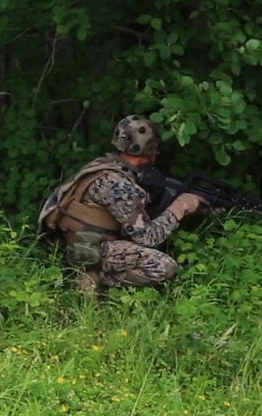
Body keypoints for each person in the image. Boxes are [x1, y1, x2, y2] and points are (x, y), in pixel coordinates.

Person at [38, 114, 208, 294]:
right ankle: (96, 277)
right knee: (164, 267)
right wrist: (181, 206)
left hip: (81, 242)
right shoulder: (117, 184)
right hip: (92, 249)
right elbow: (147, 238)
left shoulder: (106, 166)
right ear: (151, 151)